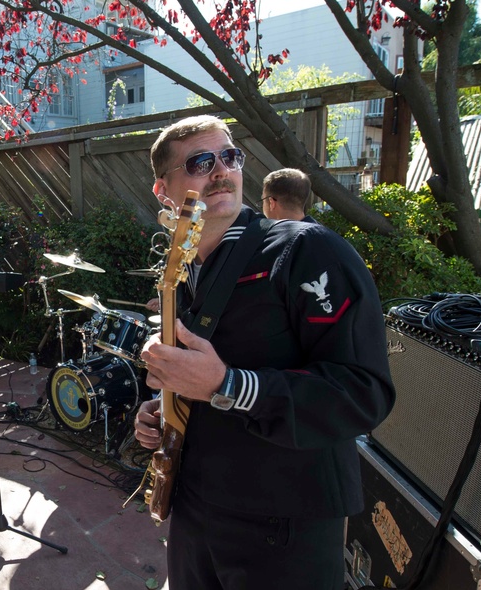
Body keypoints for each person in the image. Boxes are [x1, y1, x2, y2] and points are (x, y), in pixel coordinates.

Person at [132, 115, 395, 590]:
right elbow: (203, 382)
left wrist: (227, 385)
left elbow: (363, 393)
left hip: (284, 526)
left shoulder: (305, 250)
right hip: (196, 511)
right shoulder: (186, 272)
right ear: (163, 190)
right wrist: (167, 408)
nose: (220, 171)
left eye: (229, 156)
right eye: (199, 162)